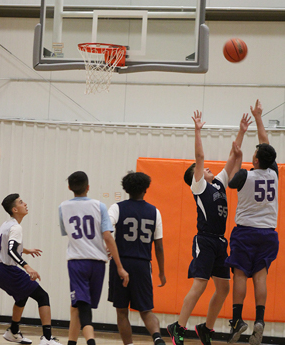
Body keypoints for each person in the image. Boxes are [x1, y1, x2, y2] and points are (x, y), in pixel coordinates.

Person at [167, 110, 251, 345]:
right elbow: (200, 155)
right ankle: (178, 327)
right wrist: (197, 130)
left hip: (220, 242)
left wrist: (241, 132)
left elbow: (233, 158)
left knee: (223, 289)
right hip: (204, 239)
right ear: (196, 175)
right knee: (199, 286)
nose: (206, 168)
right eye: (201, 169)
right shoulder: (199, 186)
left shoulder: (219, 184)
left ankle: (206, 328)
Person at [225, 100, 279, 345]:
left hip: (246, 232)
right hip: (268, 234)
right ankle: (259, 320)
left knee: (239, 274)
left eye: (255, 154)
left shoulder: (246, 175)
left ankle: (237, 320)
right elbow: (265, 141)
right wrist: (259, 117)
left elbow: (231, 180)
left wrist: (238, 156)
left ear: (255, 161)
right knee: (261, 276)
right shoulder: (274, 173)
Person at [59, 171, 129, 345]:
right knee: (79, 304)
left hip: (77, 261)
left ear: (69, 188)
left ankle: (90, 341)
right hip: (98, 263)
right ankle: (73, 342)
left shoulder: (63, 207)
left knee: (82, 304)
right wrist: (119, 266)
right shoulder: (99, 206)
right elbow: (108, 237)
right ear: (88, 187)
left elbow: (66, 232)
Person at [0, 194, 62, 345]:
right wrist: (27, 266)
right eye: (21, 202)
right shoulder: (16, 227)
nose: (25, 204)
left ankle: (13, 331)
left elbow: (6, 246)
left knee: (22, 297)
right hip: (7, 269)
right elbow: (11, 251)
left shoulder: (6, 224)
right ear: (15, 209)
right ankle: (47, 338)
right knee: (43, 296)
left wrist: (25, 249)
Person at [108, 171, 166, 345]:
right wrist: (162, 272)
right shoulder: (155, 212)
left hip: (121, 262)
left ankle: (129, 344)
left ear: (126, 189)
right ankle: (157, 338)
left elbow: (107, 233)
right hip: (142, 264)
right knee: (146, 310)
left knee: (121, 311)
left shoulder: (117, 208)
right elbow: (159, 246)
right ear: (146, 189)